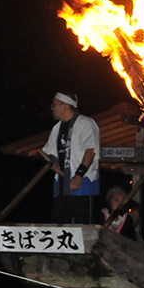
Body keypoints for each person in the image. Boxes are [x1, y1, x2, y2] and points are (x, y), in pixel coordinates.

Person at [41, 91, 99, 224]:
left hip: (83, 184)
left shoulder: (86, 123)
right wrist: (54, 162)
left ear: (65, 106)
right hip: (62, 184)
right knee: (58, 225)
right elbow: (50, 151)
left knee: (83, 226)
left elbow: (91, 151)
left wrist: (79, 176)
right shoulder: (57, 128)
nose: (52, 108)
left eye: (54, 105)